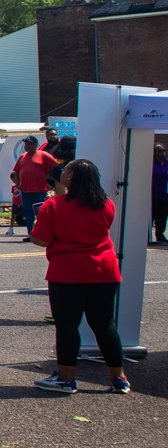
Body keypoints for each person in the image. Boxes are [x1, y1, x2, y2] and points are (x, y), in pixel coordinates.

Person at [29, 159, 130, 395]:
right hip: (104, 269)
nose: (62, 173)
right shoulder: (106, 204)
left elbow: (41, 238)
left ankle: (66, 378)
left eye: (66, 171)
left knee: (67, 325)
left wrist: (36, 225)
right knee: (104, 324)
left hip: (68, 271)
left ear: (71, 178)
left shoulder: (54, 205)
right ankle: (119, 378)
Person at [12, 136, 59, 237]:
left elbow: (56, 169)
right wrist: (18, 185)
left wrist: (52, 185)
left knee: (41, 214)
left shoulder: (44, 156)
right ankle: (31, 235)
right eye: (26, 144)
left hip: (41, 191)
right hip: (26, 191)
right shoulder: (22, 157)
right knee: (28, 214)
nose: (27, 146)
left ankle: (43, 235)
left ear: (35, 145)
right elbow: (15, 172)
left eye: (29, 144)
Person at [151, 143, 167, 246]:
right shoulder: (152, 163)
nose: (163, 152)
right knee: (152, 214)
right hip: (153, 194)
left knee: (163, 216)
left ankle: (160, 235)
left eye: (164, 150)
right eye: (160, 150)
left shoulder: (167, 163)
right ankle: (146, 235)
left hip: (165, 194)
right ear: (155, 153)